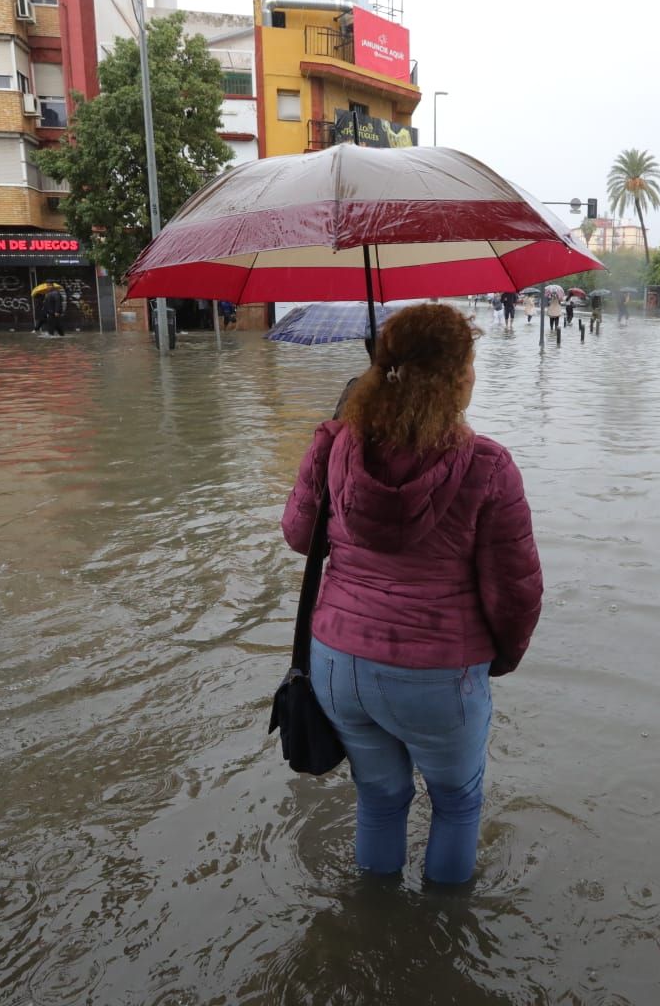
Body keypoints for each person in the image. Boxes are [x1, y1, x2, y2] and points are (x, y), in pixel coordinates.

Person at [282, 305, 542, 885]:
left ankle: (373, 916)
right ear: (455, 377)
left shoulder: (331, 444)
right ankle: (444, 936)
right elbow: (516, 591)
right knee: (456, 804)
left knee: (379, 797)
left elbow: (301, 537)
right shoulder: (488, 465)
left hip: (338, 664)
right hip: (439, 673)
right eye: (471, 364)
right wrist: (499, 661)